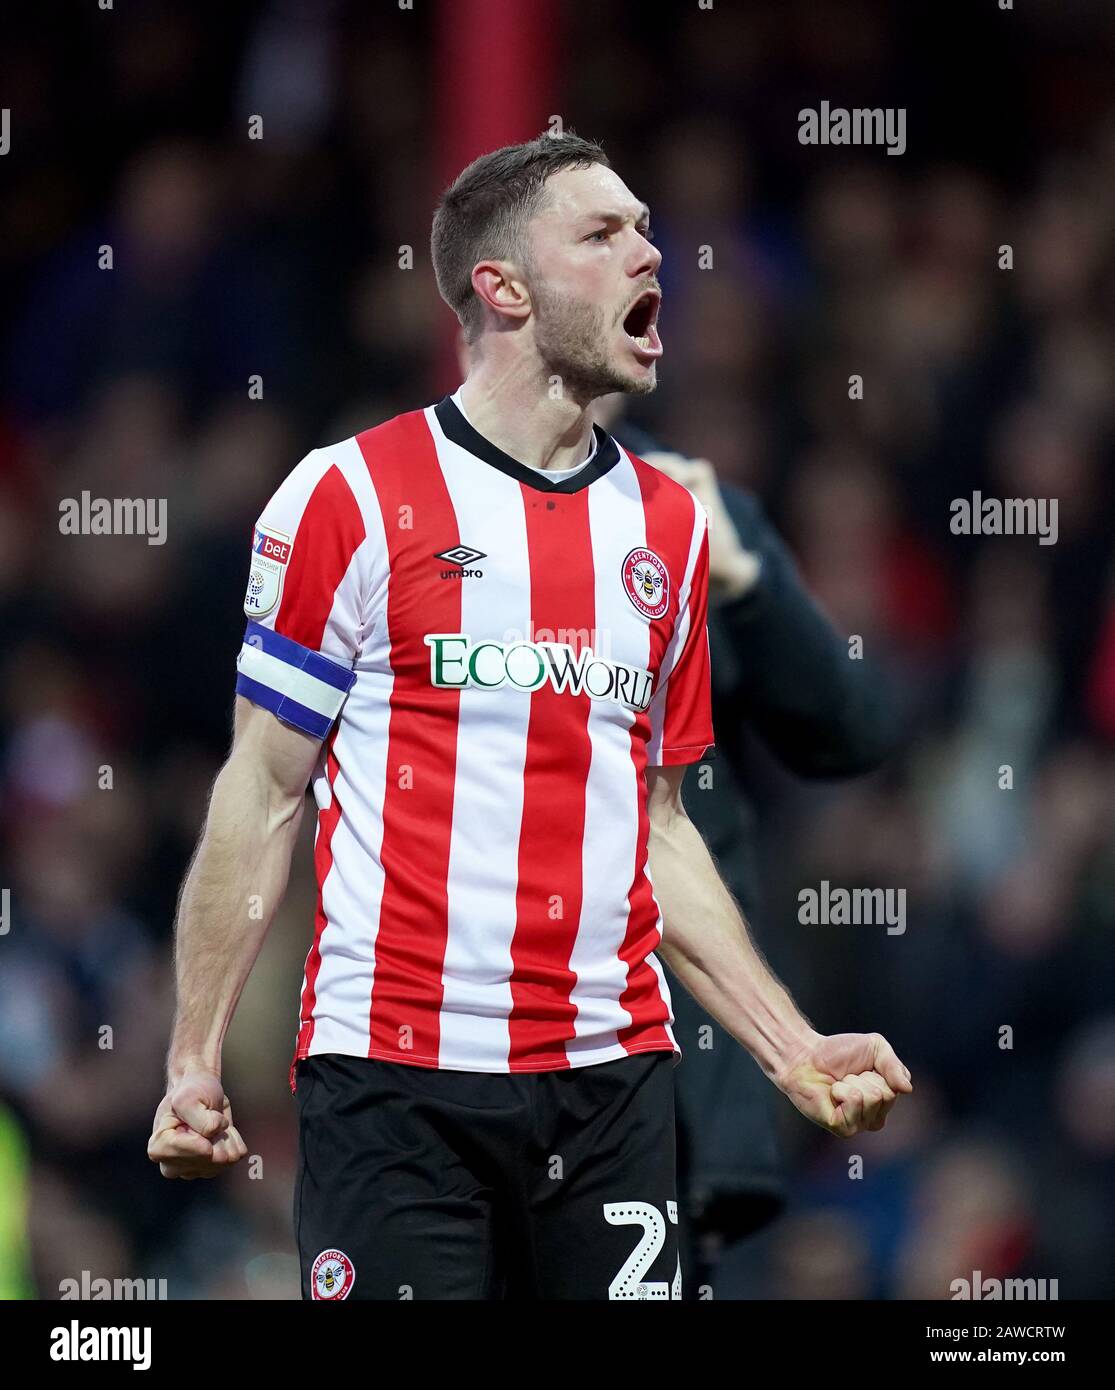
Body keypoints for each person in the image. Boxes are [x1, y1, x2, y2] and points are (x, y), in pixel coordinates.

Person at [147, 131, 912, 1301]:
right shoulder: (347, 494)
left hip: (609, 1087)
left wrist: (788, 1044)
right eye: (603, 234)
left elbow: (652, 824)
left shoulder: (666, 526)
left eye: (646, 229)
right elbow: (263, 788)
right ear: (501, 288)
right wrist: (195, 1054)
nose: (648, 251)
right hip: (394, 1082)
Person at [598, 403, 905, 1294]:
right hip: (491, 1046)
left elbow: (852, 732)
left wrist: (743, 580)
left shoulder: (687, 505)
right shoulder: (434, 498)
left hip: (687, 1064)